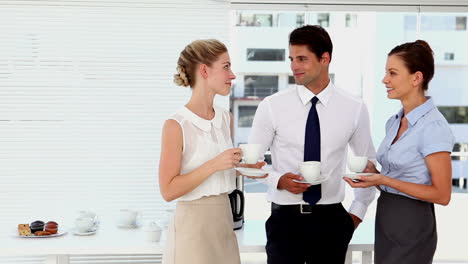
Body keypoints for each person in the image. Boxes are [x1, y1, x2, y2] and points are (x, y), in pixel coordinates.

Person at [248, 25, 377, 264]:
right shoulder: (272, 106)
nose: (294, 66)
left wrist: (355, 215)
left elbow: (367, 167)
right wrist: (278, 180)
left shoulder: (354, 108)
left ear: (324, 58)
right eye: (292, 59)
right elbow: (250, 163)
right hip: (284, 222)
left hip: (332, 221)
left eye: (302, 59)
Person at [344, 40, 455, 264]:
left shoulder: (432, 127)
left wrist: (383, 179)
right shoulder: (394, 122)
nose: (385, 80)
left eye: (392, 73)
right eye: (386, 72)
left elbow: (442, 195)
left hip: (412, 224)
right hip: (387, 219)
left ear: (416, 78)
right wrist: (373, 174)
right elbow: (397, 177)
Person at [158, 39, 265, 264]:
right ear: (204, 70)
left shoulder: (226, 118)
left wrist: (243, 168)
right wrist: (215, 164)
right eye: (226, 67)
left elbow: (221, 171)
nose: (233, 75)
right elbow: (168, 190)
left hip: (224, 222)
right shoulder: (176, 125)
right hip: (192, 229)